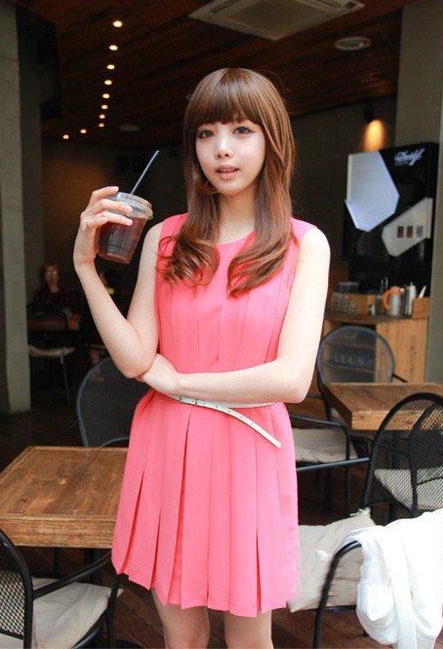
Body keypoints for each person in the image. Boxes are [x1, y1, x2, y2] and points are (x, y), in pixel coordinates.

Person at [73, 68, 329, 648]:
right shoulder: (165, 238)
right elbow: (136, 358)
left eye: (241, 130)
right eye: (206, 133)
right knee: (180, 634)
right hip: (167, 448)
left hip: (248, 453)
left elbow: (291, 379)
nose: (222, 149)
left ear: (272, 139)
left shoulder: (302, 244)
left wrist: (180, 382)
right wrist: (85, 267)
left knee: (249, 638)